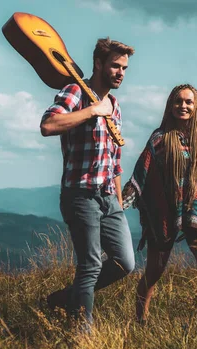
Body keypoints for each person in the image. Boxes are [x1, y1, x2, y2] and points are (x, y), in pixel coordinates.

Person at [41, 37, 136, 326]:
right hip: (80, 195)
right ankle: (82, 332)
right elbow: (48, 125)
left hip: (109, 197)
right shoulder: (75, 91)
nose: (121, 72)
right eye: (115, 66)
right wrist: (92, 111)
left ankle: (64, 300)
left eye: (124, 68)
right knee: (90, 265)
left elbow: (114, 161)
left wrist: (118, 203)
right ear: (98, 64)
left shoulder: (115, 105)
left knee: (125, 263)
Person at [122, 84, 197, 326]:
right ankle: (140, 321)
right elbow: (141, 175)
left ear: (196, 107)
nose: (183, 106)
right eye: (178, 101)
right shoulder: (159, 139)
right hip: (164, 214)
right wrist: (118, 204)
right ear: (170, 105)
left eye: (189, 102)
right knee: (154, 273)